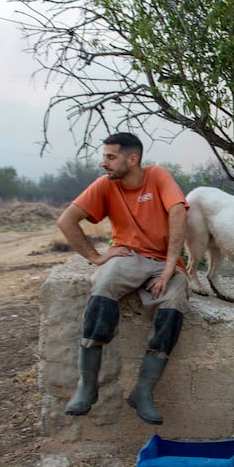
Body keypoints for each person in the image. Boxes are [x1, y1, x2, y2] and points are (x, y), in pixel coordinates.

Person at [57, 132, 189, 425]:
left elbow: (178, 211)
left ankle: (143, 391)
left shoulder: (157, 175)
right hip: (128, 257)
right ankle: (87, 386)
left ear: (133, 159)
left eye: (110, 157)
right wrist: (96, 257)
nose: (104, 163)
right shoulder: (106, 185)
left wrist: (170, 268)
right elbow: (66, 220)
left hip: (162, 261)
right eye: (104, 156)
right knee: (103, 286)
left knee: (175, 299)